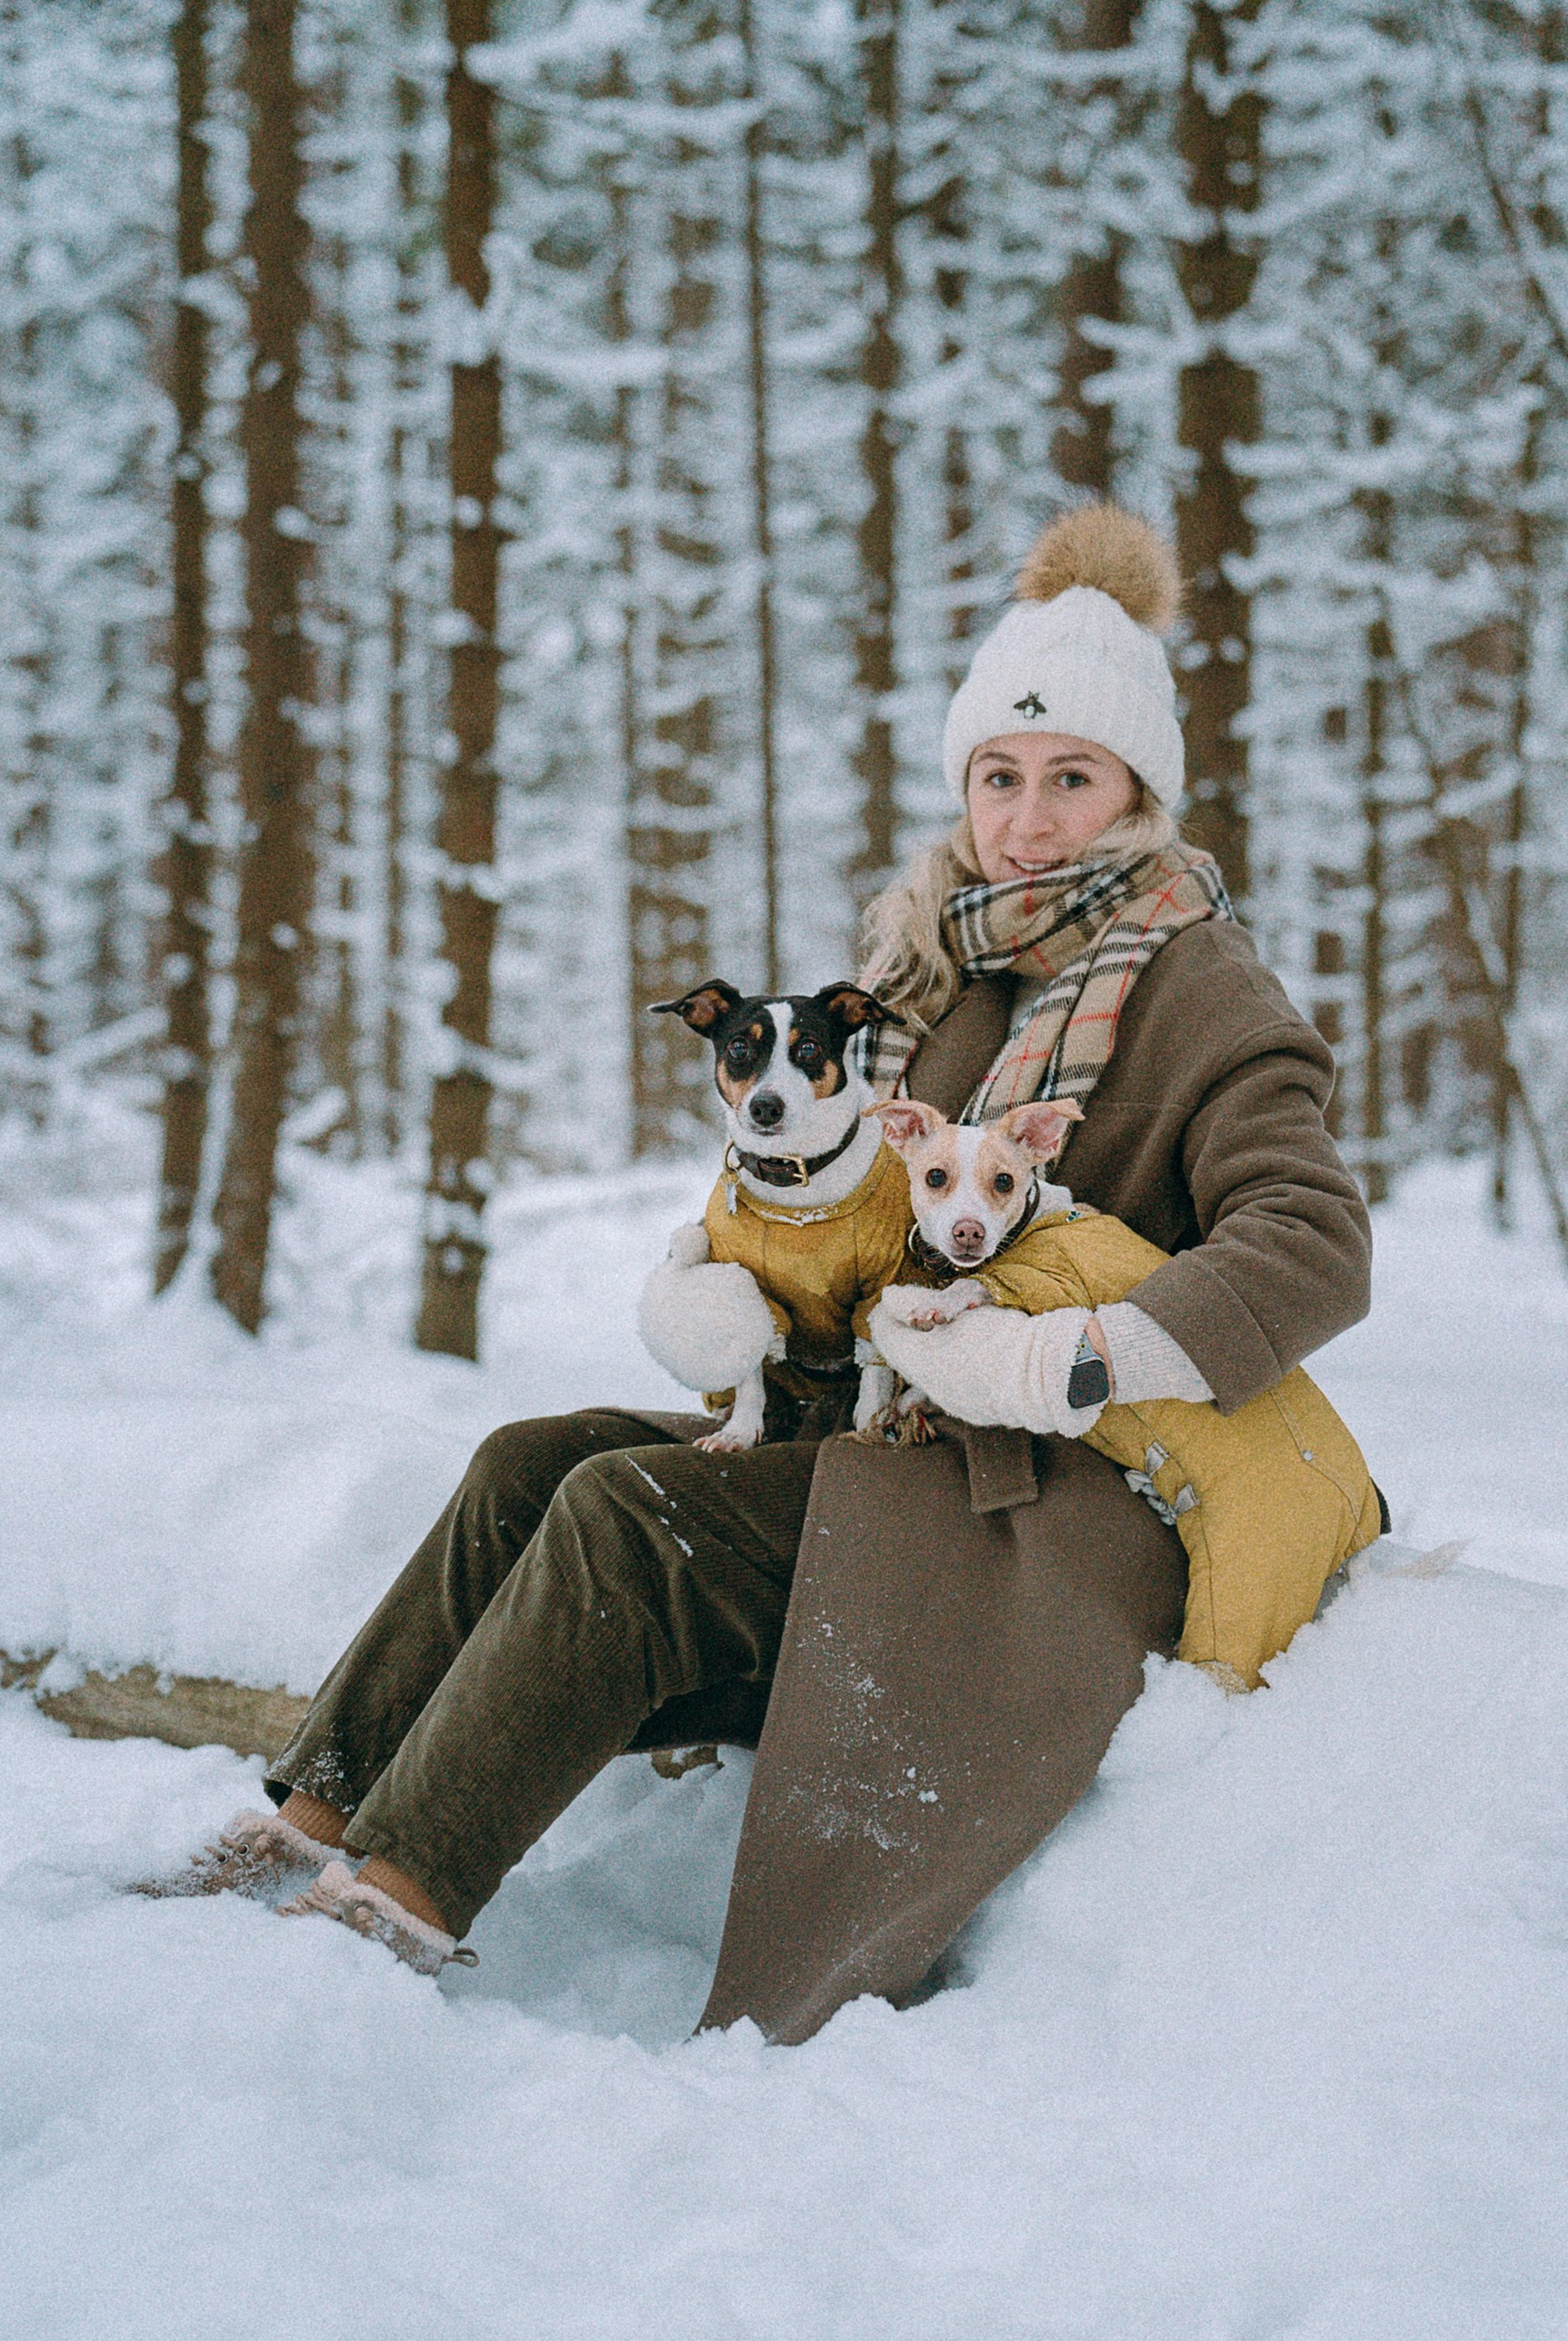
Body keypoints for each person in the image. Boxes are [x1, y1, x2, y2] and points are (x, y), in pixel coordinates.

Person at [162, 503, 1373, 2032]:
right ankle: (311, 1821)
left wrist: (1073, 1357)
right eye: (1000, 776)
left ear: (1141, 790)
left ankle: (390, 1910)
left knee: (628, 1519)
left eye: (1075, 777)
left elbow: (1314, 1244)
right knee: (531, 1460)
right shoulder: (934, 970)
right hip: (871, 1434)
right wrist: (711, 1274)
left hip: (1046, 1505)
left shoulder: (1203, 988)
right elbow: (827, 1183)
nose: (1031, 816)